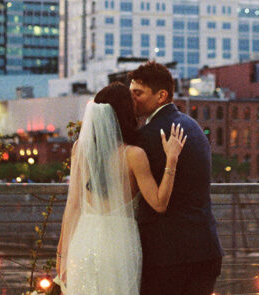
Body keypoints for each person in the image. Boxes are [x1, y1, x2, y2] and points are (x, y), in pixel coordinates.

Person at [56, 81, 186, 295]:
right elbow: (159, 204)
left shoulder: (80, 150)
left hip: (83, 242)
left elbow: (72, 206)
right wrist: (171, 159)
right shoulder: (134, 155)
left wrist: (61, 255)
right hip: (120, 245)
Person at [130, 61, 223, 295]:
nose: (132, 100)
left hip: (167, 257)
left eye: (138, 93)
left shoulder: (146, 137)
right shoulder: (194, 127)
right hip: (206, 249)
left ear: (161, 95)